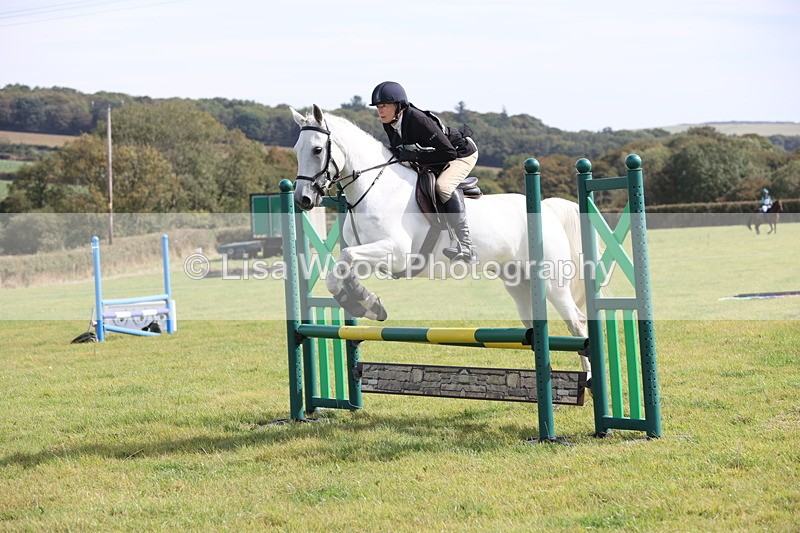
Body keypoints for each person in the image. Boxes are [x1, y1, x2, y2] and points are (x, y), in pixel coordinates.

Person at [370, 81, 479, 263]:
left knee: (443, 186)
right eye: (378, 107)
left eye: (383, 106)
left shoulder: (418, 121)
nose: (380, 111)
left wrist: (414, 157)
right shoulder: (390, 122)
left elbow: (448, 153)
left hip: (461, 154)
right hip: (436, 158)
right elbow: (399, 151)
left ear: (398, 106)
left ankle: (466, 246)